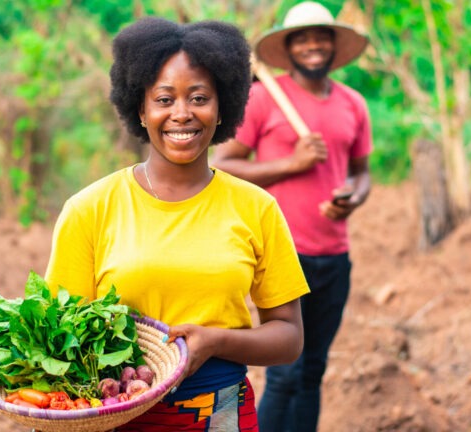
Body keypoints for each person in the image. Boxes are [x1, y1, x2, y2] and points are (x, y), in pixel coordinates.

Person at [43, 16, 310, 431]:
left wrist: (218, 341)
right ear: (140, 109)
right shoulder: (90, 208)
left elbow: (289, 338)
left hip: (219, 415)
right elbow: (60, 340)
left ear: (223, 106)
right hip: (114, 415)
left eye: (199, 98)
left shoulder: (256, 208)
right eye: (164, 100)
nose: (182, 114)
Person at [210, 2, 372, 431]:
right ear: (288, 47)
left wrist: (351, 198)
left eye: (322, 37)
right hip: (283, 254)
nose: (314, 45)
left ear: (334, 46)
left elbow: (361, 173)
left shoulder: (353, 104)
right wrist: (290, 165)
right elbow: (221, 164)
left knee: (314, 370)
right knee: (285, 374)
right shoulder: (262, 98)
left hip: (335, 255)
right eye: (303, 38)